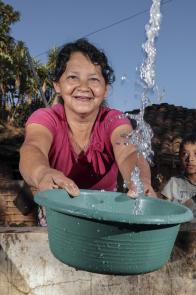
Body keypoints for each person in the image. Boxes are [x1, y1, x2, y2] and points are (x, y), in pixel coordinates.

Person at [19, 38, 156, 199]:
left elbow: (128, 154)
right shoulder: (46, 118)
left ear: (106, 89)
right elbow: (33, 147)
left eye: (94, 79)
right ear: (57, 85)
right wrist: (42, 173)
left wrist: (141, 182)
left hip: (104, 213)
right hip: (57, 212)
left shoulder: (114, 121)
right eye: (73, 77)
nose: (83, 87)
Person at [161, 133, 196, 221]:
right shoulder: (174, 183)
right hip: (179, 232)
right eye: (184, 154)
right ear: (180, 158)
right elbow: (164, 211)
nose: (190, 158)